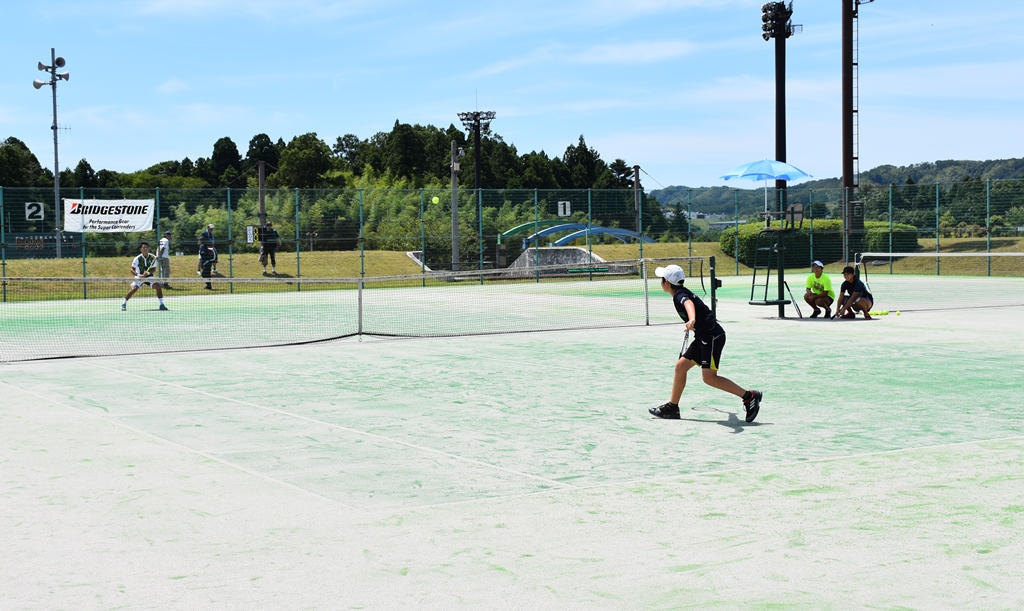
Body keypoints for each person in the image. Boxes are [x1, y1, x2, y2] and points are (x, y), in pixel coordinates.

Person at [649, 264, 763, 423]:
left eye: (662, 279)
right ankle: (672, 408)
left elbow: (688, 304)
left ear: (667, 282)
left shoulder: (680, 295)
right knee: (680, 367)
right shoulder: (681, 292)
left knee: (709, 378)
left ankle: (749, 396)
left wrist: (691, 319)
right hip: (703, 337)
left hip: (712, 337)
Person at [122, 242, 168, 311]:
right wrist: (139, 275)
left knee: (158, 286)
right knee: (134, 289)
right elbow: (132, 269)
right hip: (139, 277)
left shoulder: (152, 257)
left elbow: (153, 269)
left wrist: (148, 273)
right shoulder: (137, 258)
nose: (145, 249)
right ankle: (124, 303)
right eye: (143, 247)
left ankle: (161, 304)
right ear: (140, 249)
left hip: (149, 277)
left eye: (146, 247)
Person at [198, 223, 216, 290]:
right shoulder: (203, 234)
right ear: (208, 227)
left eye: (212, 229)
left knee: (207, 272)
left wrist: (211, 248)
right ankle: (208, 285)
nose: (211, 230)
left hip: (209, 256)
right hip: (205, 256)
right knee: (205, 272)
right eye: (210, 228)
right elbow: (201, 240)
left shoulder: (211, 235)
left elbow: (212, 243)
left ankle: (209, 285)